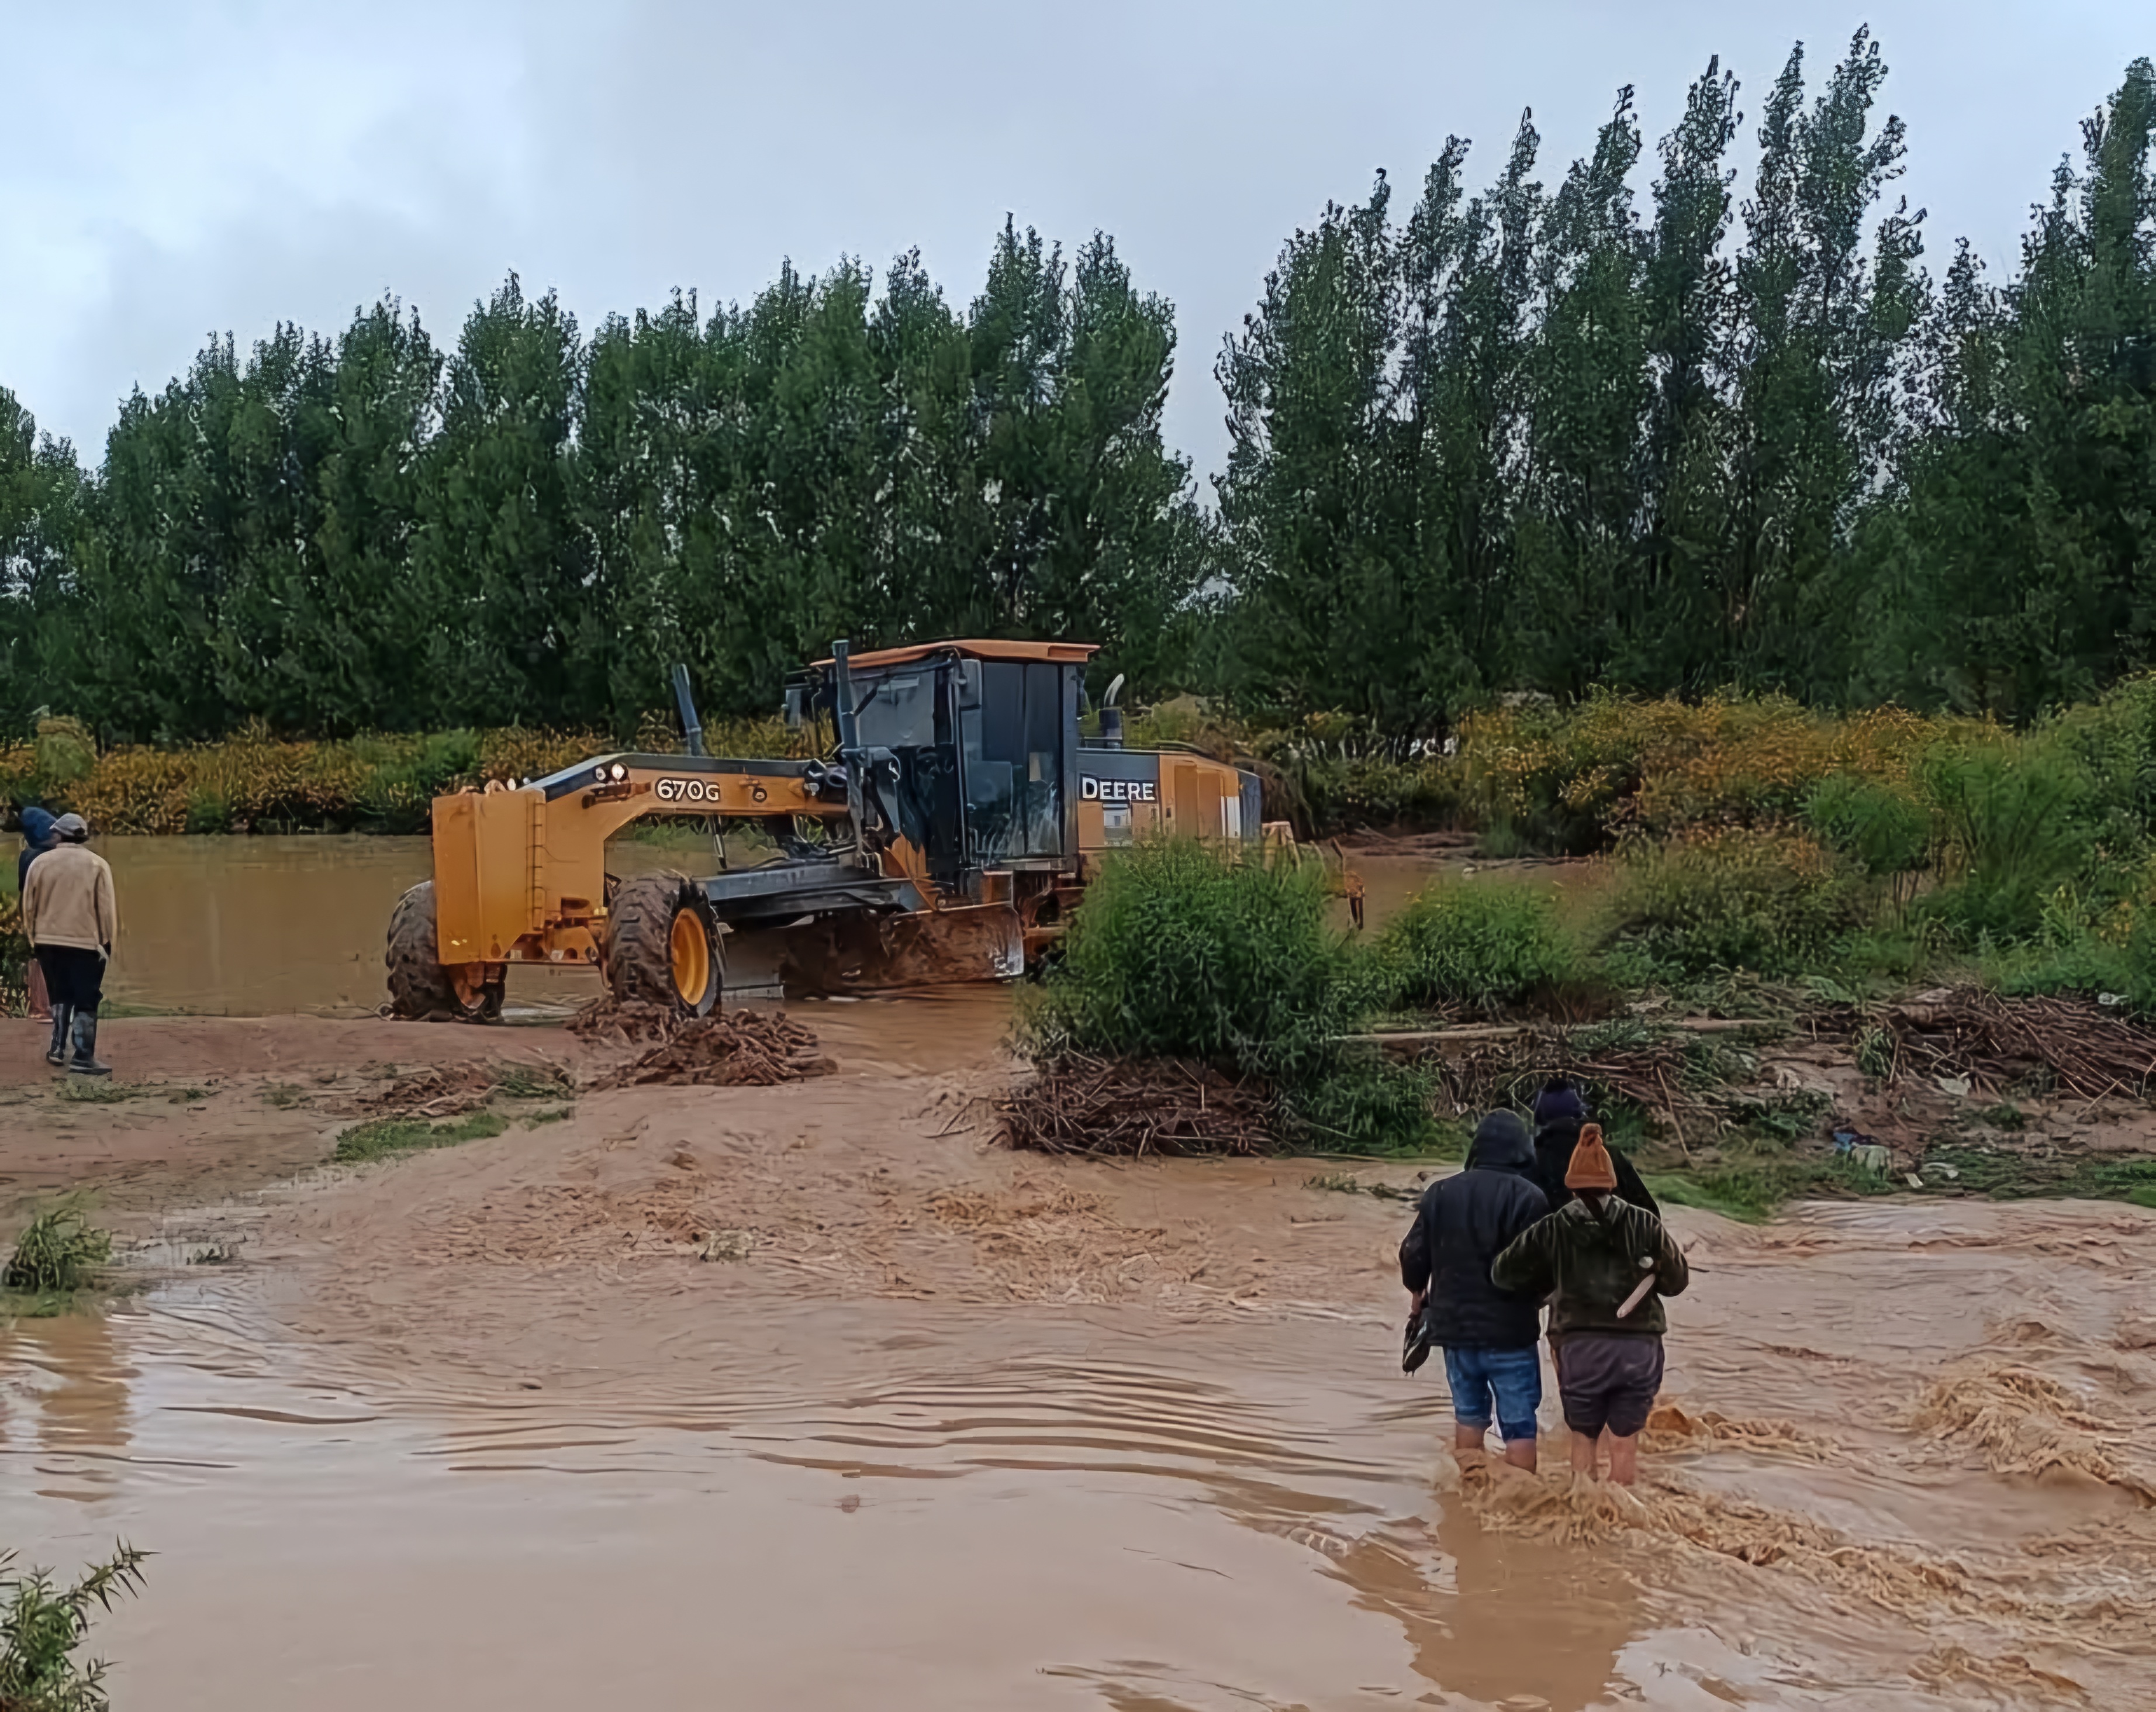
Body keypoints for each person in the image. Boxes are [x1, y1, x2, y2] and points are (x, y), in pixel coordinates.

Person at [1492, 1124, 1688, 1486]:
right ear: (1612, 1183)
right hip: (1639, 1347)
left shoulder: (1553, 1228)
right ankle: (1620, 1523)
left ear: (1572, 1185)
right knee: (1624, 1442)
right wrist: (1656, 1270)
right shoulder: (1645, 1224)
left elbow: (1503, 1273)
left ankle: (1584, 1518)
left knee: (1583, 1437)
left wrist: (1545, 1285)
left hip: (1579, 1348)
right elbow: (1677, 1284)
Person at [1398, 1110, 1551, 1471]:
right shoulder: (1530, 1198)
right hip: (1511, 1333)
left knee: (1468, 1417)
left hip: (1453, 1330)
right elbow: (1543, 1268)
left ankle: (1468, 1500)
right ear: (1521, 1149)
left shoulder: (1440, 1193)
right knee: (1519, 1426)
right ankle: (1521, 1510)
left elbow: (1413, 1253)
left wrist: (1418, 1294)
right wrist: (1539, 1300)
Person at [20, 813, 117, 1076]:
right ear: (83, 835)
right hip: (85, 943)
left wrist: (33, 938)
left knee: (59, 994)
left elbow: (29, 907)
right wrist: (107, 943)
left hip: (47, 942)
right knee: (87, 998)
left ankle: (57, 1049)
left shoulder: (39, 863)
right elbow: (106, 910)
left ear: (58, 834)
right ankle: (83, 1056)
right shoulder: (98, 865)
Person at [1529, 1078, 1660, 1218]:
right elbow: (1650, 1214)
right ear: (1579, 1112)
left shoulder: (1532, 1160)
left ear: (1541, 1115)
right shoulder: (1607, 1153)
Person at [12, 805, 58, 1020]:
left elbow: (25, 890)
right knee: (47, 958)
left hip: (32, 912)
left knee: (36, 957)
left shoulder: (27, 855)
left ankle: (38, 1007)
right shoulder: (45, 857)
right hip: (47, 913)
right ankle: (44, 1007)